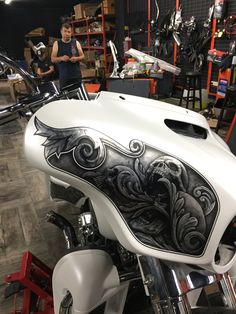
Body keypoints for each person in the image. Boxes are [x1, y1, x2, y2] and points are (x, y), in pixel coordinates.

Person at [51, 23, 85, 89]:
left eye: (69, 32)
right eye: (65, 31)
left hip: (76, 77)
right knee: (66, 97)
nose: (67, 34)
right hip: (64, 78)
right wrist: (61, 58)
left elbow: (83, 56)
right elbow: (52, 59)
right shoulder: (57, 44)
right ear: (61, 32)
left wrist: (77, 58)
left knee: (78, 97)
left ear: (71, 33)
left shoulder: (76, 43)